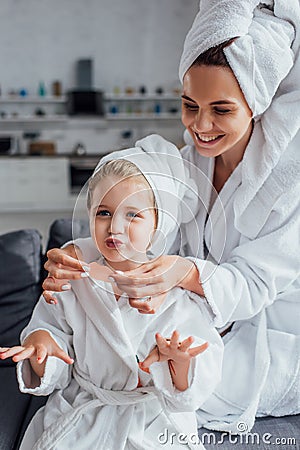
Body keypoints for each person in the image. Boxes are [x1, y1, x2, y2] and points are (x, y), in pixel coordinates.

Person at [42, 0, 300, 434]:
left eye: (221, 110)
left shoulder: (288, 188)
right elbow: (129, 185)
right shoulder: (183, 164)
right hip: (202, 325)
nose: (200, 126)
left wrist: (183, 272)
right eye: (189, 104)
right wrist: (75, 254)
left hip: (270, 335)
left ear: (256, 105)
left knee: (160, 383)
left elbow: (254, 286)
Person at [0, 135, 223, 450]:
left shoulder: (177, 288)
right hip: (85, 412)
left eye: (133, 215)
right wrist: (41, 348)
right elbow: (52, 337)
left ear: (158, 223)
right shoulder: (74, 279)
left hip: (151, 421)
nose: (115, 226)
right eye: (103, 212)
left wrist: (181, 364)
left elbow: (203, 367)